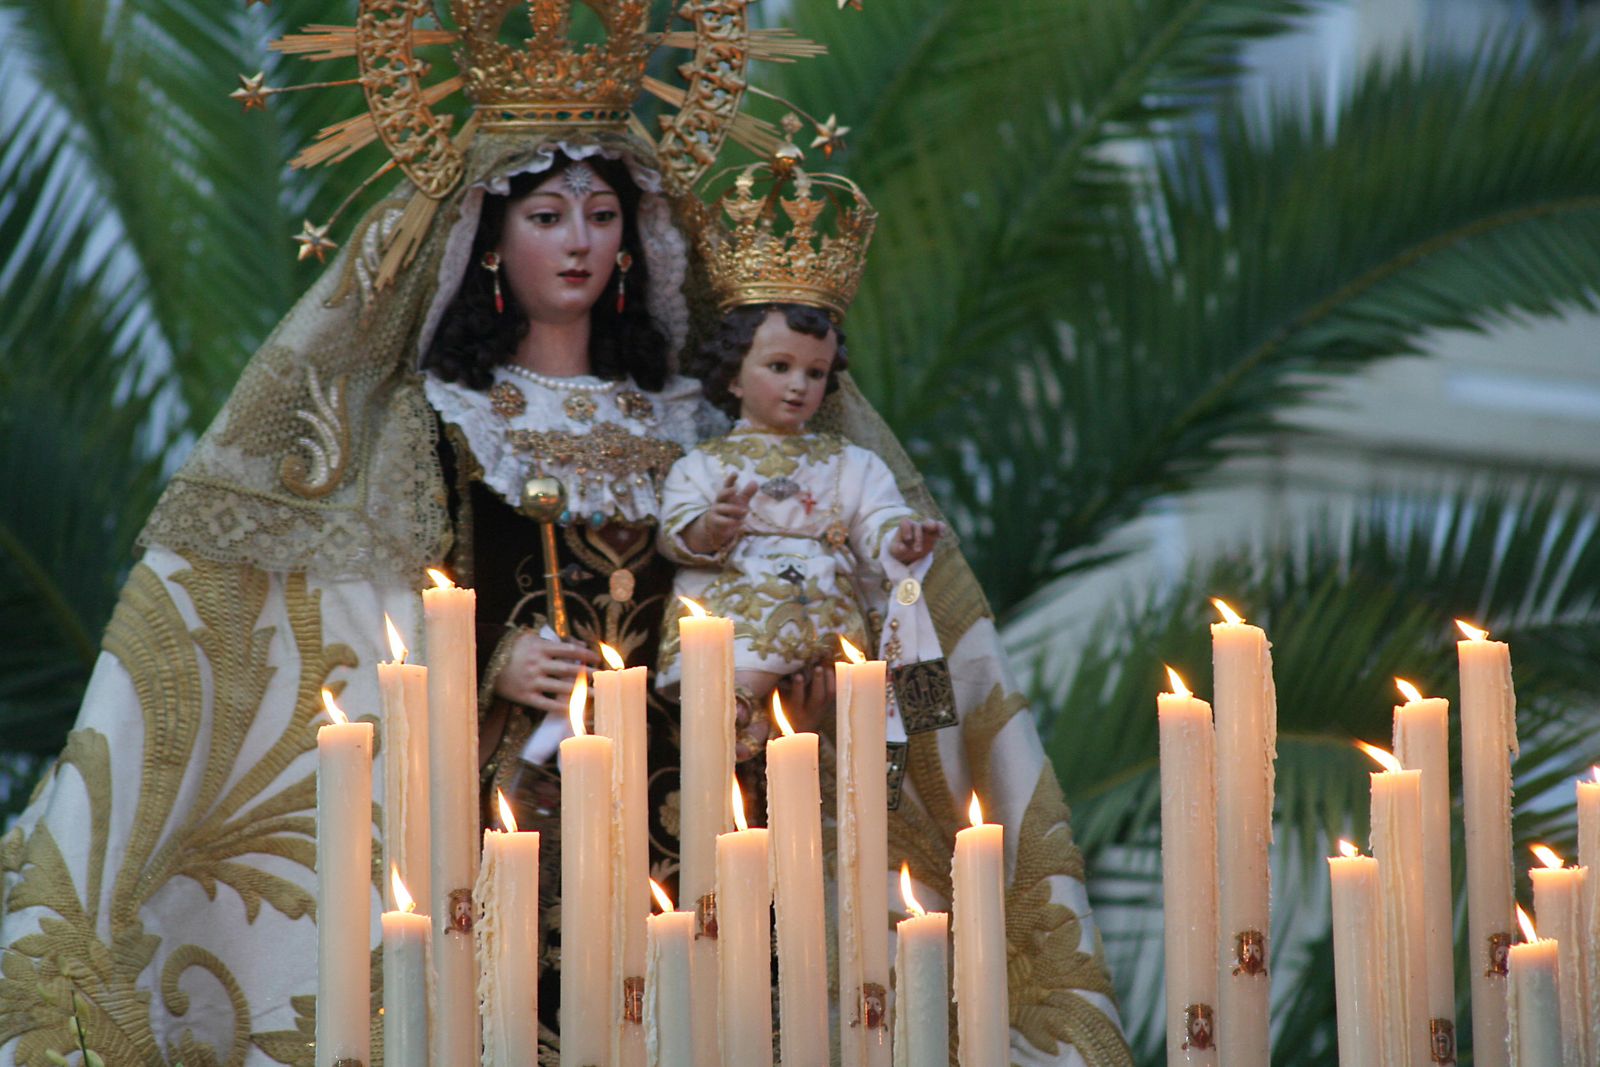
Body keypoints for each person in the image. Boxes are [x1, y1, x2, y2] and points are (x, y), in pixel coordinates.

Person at [0, 7, 1129, 1066]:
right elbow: (341, 622)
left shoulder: (707, 421)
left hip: (730, 812)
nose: (580, 241)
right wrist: (489, 657)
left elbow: (831, 576)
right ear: (489, 240)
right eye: (546, 216)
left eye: (602, 214)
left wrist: (834, 665)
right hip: (511, 816)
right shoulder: (430, 426)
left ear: (635, 238)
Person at [655, 300, 945, 756]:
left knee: (850, 699)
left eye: (814, 373)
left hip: (826, 613)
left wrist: (899, 538)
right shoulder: (703, 464)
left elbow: (876, 515)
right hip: (741, 610)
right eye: (779, 366)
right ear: (733, 376)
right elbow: (675, 531)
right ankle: (735, 718)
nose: (798, 385)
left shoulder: (851, 462)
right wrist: (711, 527)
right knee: (735, 664)